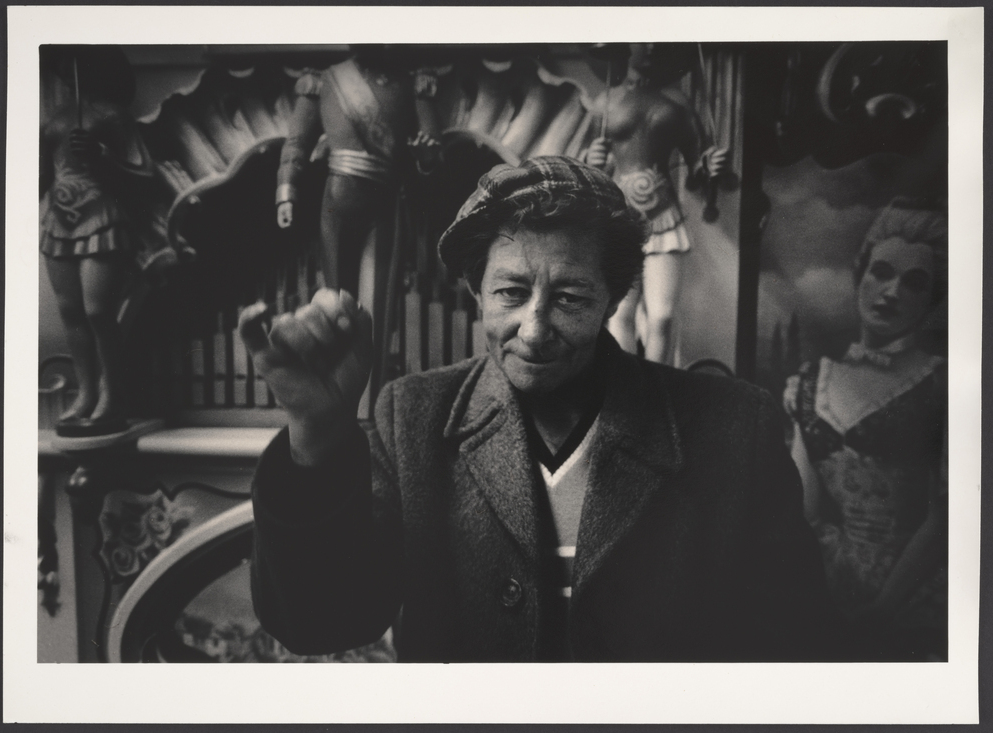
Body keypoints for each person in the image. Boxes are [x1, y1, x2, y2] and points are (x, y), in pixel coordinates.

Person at [243, 156, 836, 662]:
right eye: (511, 292)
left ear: (612, 300)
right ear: (477, 291)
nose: (533, 330)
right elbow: (321, 623)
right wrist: (317, 430)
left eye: (570, 298)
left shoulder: (733, 429)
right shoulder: (412, 419)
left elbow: (791, 644)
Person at [784, 199, 947, 660]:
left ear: (932, 301)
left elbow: (947, 518)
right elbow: (803, 510)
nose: (892, 291)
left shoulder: (941, 382)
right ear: (861, 276)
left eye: (914, 283)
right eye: (882, 272)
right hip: (828, 587)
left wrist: (882, 610)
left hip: (912, 598)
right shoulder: (811, 381)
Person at [585, 43, 727, 364]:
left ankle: (657, 384)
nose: (649, 46)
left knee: (662, 316)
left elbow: (697, 161)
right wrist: (592, 160)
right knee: (621, 312)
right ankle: (627, 384)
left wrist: (710, 165)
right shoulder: (605, 102)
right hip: (619, 218)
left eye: (656, 39)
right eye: (641, 38)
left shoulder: (676, 102)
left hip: (664, 217)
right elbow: (588, 170)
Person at [40, 46, 154, 436]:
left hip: (101, 219)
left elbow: (145, 172)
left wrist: (102, 155)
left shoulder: (112, 116)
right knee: (70, 311)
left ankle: (112, 393)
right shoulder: (55, 119)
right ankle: (86, 393)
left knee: (98, 311)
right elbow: (41, 177)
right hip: (59, 222)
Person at [275, 46, 440, 296]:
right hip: (337, 203)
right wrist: (286, 193)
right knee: (337, 300)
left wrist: (427, 160)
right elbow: (297, 143)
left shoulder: (410, 83)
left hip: (386, 204)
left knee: (379, 305)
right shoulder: (323, 80)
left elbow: (435, 156)